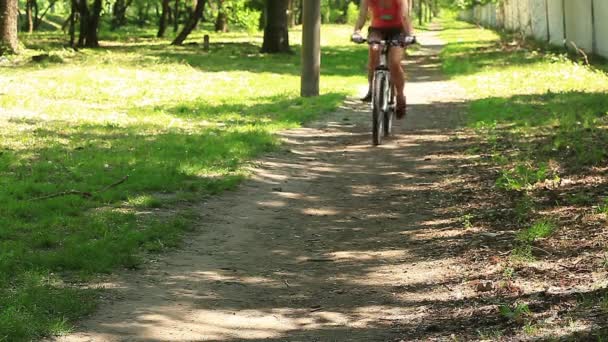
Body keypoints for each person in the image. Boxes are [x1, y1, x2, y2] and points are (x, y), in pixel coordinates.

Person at [352, 0, 414, 119]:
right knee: (374, 49)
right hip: (377, 30)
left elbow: (405, 16)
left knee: (394, 62)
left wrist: (410, 35)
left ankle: (400, 96)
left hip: (398, 30)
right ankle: (372, 89)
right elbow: (362, 15)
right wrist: (357, 32)